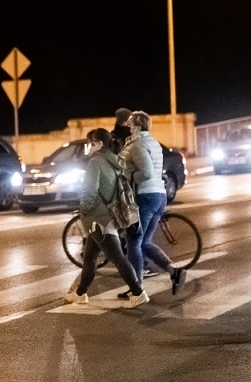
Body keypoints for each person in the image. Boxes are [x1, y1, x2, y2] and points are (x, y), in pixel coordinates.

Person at [68, 127, 148, 308]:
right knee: (89, 257)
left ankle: (138, 292)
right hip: (109, 216)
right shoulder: (113, 161)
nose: (88, 146)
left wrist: (84, 209)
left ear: (99, 144)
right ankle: (80, 293)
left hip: (99, 218)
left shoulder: (95, 163)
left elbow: (89, 192)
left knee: (118, 258)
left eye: (91, 143)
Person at [121, 111, 184, 295]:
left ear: (138, 127)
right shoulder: (153, 142)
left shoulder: (138, 144)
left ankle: (137, 288)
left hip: (144, 196)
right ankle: (174, 271)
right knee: (144, 242)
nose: (127, 127)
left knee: (134, 242)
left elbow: (146, 173)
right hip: (159, 195)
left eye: (130, 124)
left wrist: (129, 175)